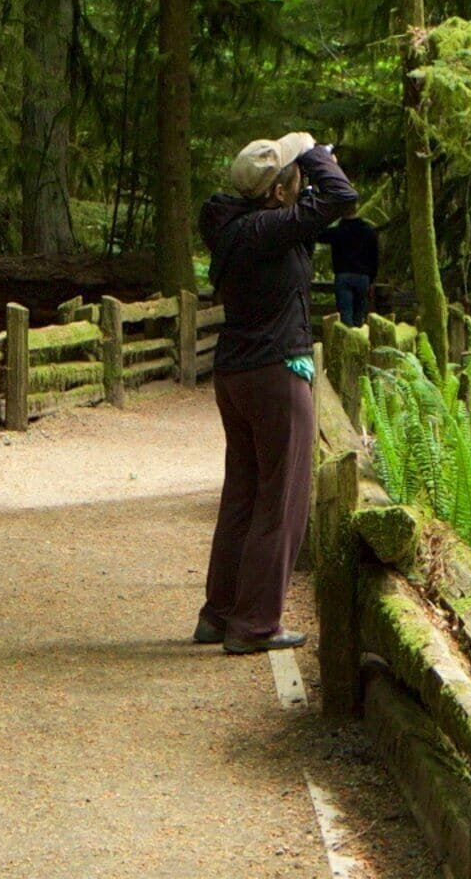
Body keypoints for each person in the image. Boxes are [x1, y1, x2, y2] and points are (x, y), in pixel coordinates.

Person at [194, 130, 356, 654]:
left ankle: (219, 615)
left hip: (236, 374)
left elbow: (315, 205)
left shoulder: (230, 222)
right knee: (281, 502)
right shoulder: (270, 228)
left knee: (242, 495)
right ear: (281, 191)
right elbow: (341, 198)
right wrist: (310, 149)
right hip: (276, 374)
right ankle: (256, 624)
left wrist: (303, 164)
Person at [325, 206, 382, 328]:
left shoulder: (337, 231)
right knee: (359, 316)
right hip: (363, 277)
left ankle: (348, 342)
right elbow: (374, 258)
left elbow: (319, 234)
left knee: (345, 315)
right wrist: (372, 280)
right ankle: (358, 341)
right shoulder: (368, 231)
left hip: (343, 275)